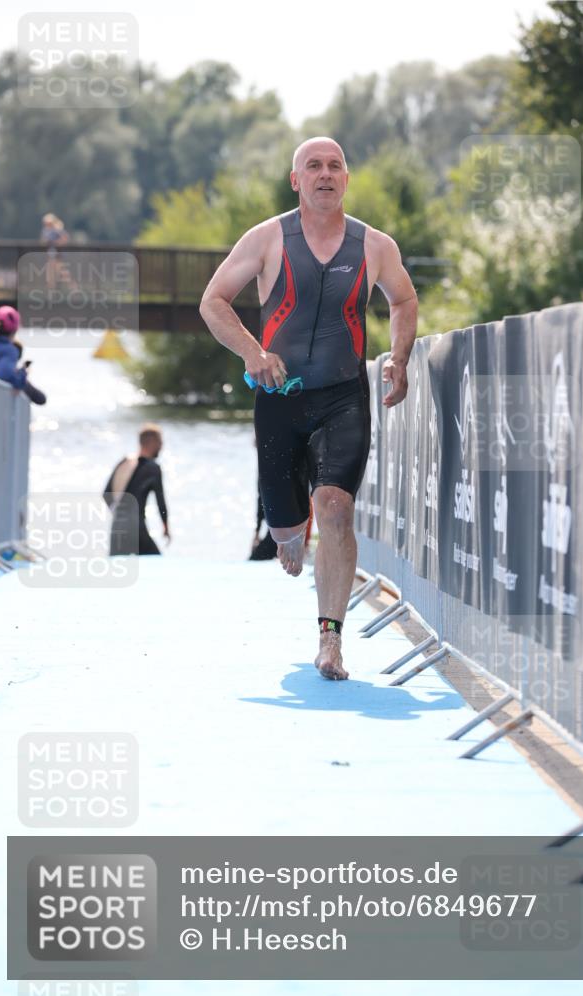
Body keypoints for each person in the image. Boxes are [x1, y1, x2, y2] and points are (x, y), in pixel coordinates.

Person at [200, 136, 418, 680]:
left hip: (344, 398)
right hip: (278, 400)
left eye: (335, 166)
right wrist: (253, 351)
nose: (325, 174)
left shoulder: (375, 246)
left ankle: (331, 639)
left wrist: (400, 355)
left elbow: (404, 299)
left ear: (347, 178)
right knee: (287, 527)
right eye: (313, 166)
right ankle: (289, 533)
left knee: (336, 508)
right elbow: (213, 300)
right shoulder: (269, 238)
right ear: (295, 179)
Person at [103, 423, 171, 556]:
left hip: (117, 527)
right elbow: (160, 502)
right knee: (157, 564)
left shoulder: (124, 462)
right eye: (160, 442)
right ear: (152, 442)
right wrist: (166, 527)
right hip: (136, 526)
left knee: (116, 570)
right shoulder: (153, 468)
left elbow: (106, 494)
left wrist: (120, 515)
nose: (161, 447)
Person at [0, 306, 47, 405]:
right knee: (41, 398)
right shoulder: (9, 350)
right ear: (15, 330)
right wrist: (22, 374)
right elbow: (4, 376)